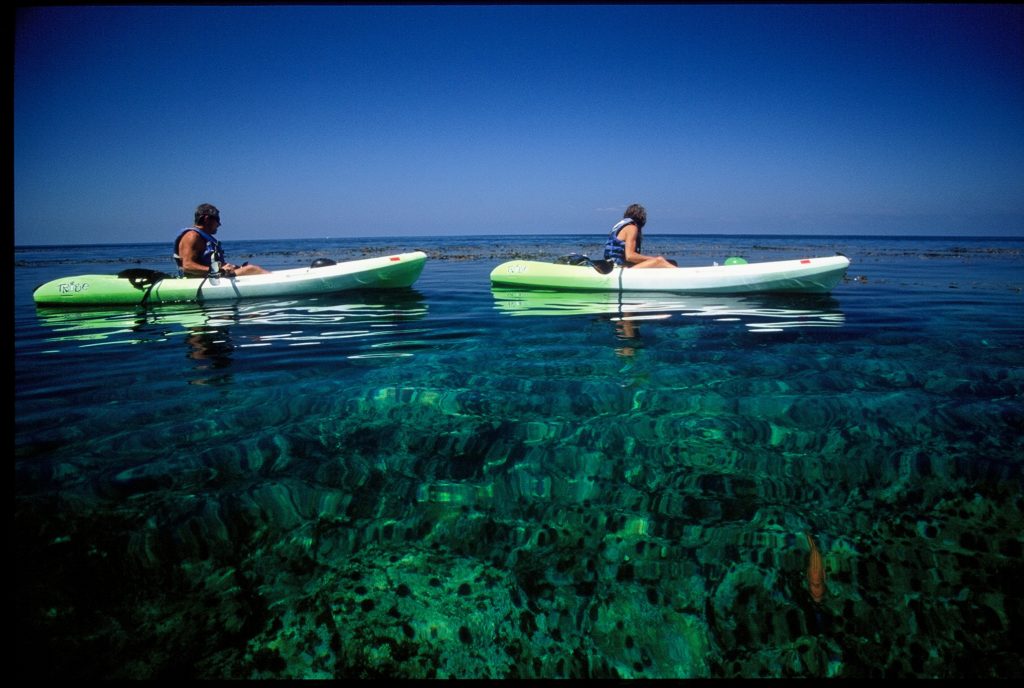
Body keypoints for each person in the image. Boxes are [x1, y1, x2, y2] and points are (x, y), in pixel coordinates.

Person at [174, 203, 270, 278]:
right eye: (217, 219)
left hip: (211, 276)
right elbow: (187, 265)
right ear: (207, 219)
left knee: (245, 268)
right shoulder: (192, 236)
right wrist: (218, 270)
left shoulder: (202, 236)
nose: (219, 224)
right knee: (252, 269)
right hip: (200, 280)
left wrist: (230, 267)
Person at [603, 204, 676, 269]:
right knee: (659, 261)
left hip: (611, 266)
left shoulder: (619, 226)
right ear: (641, 219)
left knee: (672, 263)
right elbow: (630, 256)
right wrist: (653, 259)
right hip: (618, 268)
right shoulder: (632, 227)